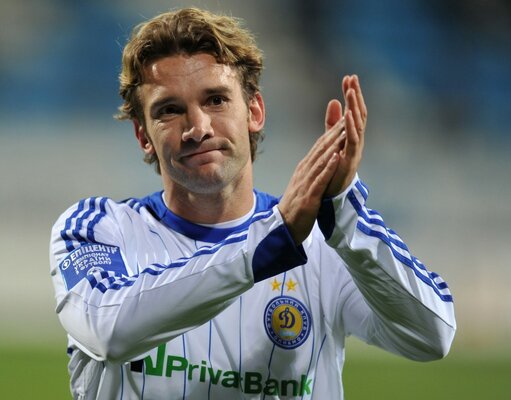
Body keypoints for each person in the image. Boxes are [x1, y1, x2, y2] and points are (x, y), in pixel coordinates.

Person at [49, 7, 456, 399]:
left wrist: (344, 211)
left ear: (255, 111)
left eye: (216, 100)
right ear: (143, 135)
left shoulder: (322, 241)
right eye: (170, 111)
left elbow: (432, 335)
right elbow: (109, 329)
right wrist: (269, 243)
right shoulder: (96, 228)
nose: (198, 128)